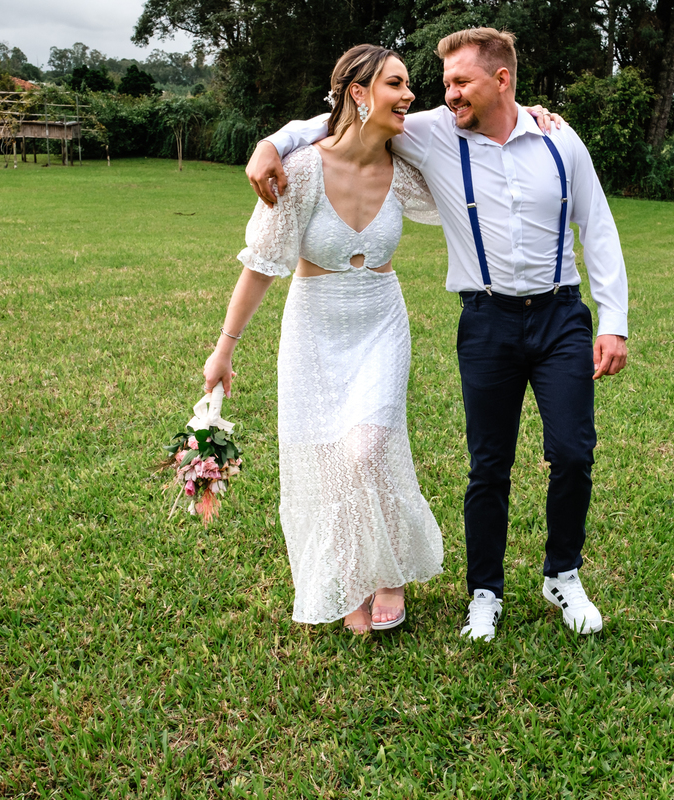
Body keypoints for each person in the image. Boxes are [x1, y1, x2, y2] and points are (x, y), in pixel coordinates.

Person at [249, 28, 628, 643]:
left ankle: (564, 575)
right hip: (485, 321)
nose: (445, 93)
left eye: (460, 81)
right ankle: (485, 593)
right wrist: (274, 141)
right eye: (443, 81)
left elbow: (600, 227)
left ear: (501, 80)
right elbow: (345, 115)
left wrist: (612, 321)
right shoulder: (433, 133)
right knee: (489, 463)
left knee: (574, 452)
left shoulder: (561, 140)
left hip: (561, 315)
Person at [202, 45, 446, 635]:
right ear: (359, 94)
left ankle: (388, 571)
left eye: (410, 83)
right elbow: (261, 265)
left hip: (381, 318)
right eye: (396, 83)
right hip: (315, 325)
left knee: (369, 448)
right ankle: (352, 577)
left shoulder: (407, 167)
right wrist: (224, 347)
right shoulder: (303, 169)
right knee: (329, 459)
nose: (410, 94)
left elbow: (474, 159)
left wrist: (532, 114)